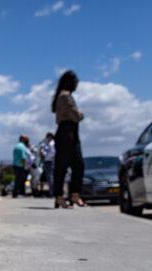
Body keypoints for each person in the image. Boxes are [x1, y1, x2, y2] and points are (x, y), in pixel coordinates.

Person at [51, 70, 86, 208]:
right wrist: (81, 114)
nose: (77, 85)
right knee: (68, 166)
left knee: (70, 165)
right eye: (76, 82)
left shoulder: (63, 95)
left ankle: (69, 196)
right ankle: (66, 196)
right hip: (67, 132)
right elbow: (76, 116)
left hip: (67, 132)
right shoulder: (65, 96)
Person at [39, 132, 56, 197]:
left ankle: (53, 193)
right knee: (49, 177)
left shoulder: (52, 144)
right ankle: (52, 192)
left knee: (50, 177)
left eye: (47, 137)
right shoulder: (47, 144)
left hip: (50, 161)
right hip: (47, 161)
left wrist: (44, 154)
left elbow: (52, 153)